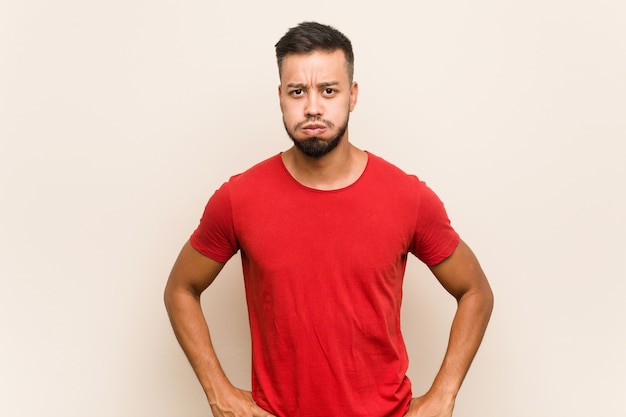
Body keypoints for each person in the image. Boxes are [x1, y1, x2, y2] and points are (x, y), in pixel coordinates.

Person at [164, 21, 493, 417]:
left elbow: (476, 292)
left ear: (352, 96)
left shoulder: (408, 198)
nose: (313, 107)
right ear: (281, 97)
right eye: (297, 91)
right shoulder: (239, 198)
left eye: (329, 90)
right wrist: (218, 391)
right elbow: (180, 289)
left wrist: (444, 395)